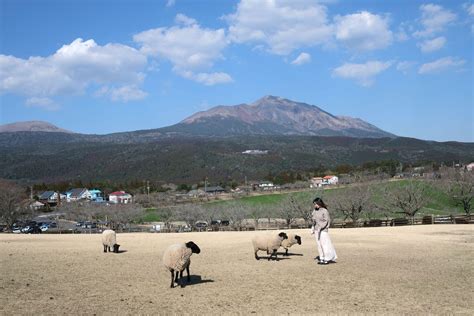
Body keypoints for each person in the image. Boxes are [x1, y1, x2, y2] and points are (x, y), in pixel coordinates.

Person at [311, 197, 337, 265]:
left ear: (319, 203)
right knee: (319, 245)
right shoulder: (314, 211)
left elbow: (326, 220)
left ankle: (327, 258)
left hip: (323, 230)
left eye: (316, 204)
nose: (315, 205)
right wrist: (313, 227)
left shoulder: (324, 211)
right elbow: (314, 220)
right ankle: (322, 258)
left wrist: (321, 227)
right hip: (317, 230)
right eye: (314, 204)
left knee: (324, 244)